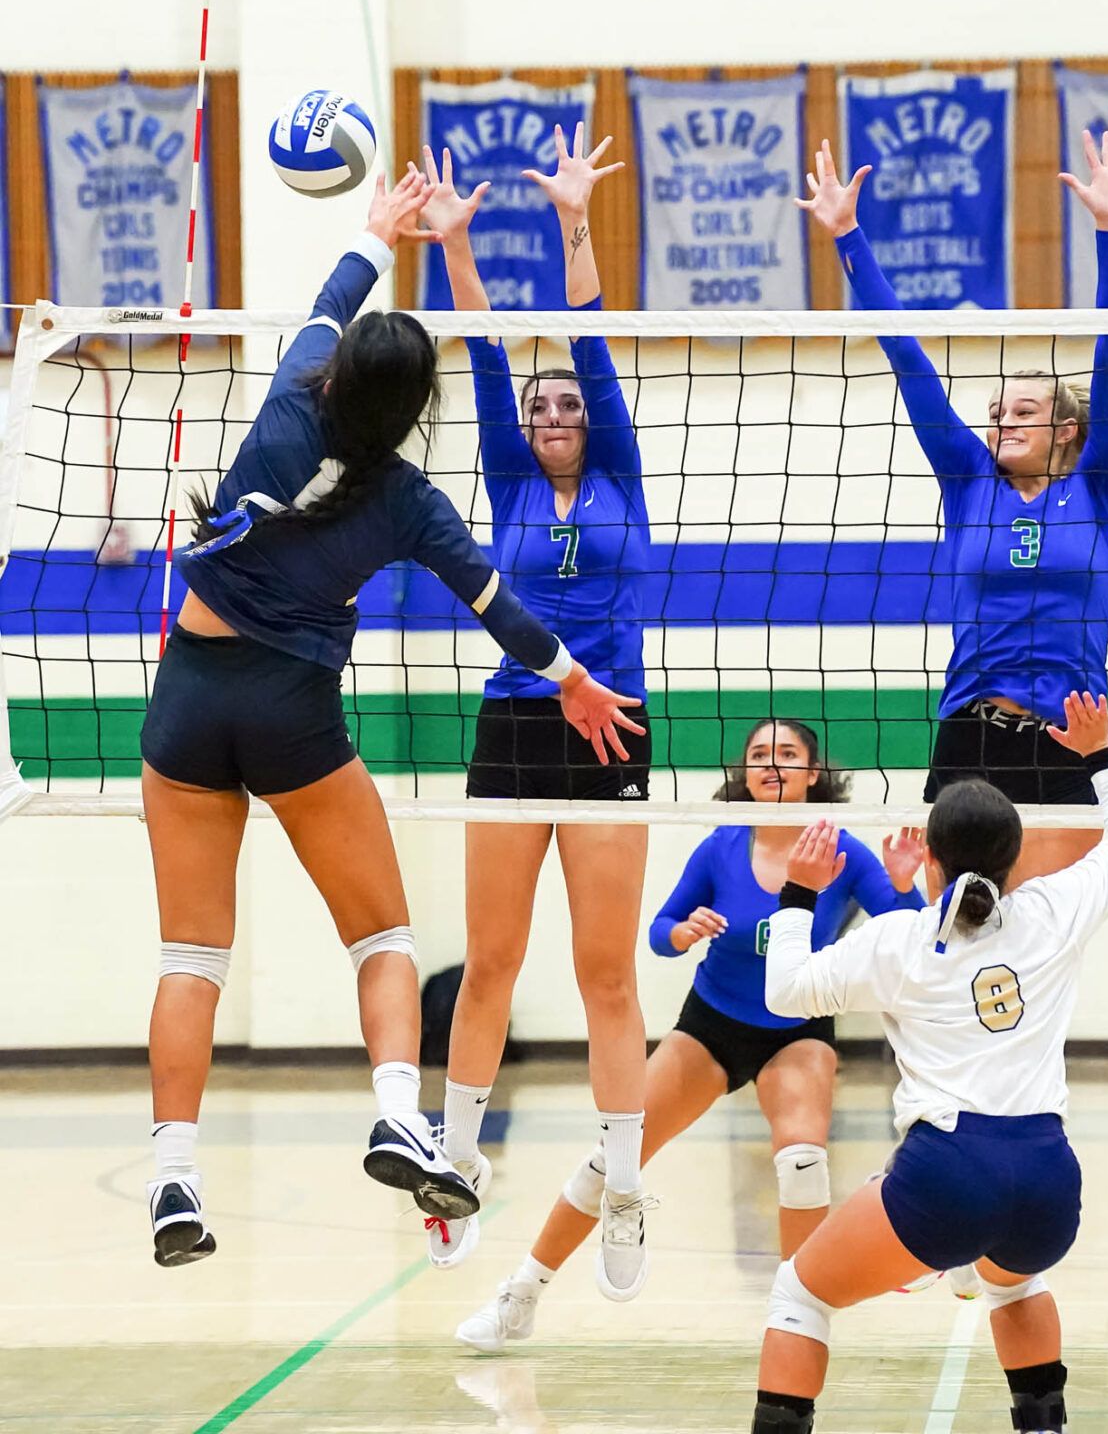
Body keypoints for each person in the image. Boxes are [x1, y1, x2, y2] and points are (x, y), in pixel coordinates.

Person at [139, 169, 639, 1268]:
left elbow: (335, 293)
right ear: (417, 412)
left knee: (192, 955)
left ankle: (173, 1177)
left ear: (336, 371)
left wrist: (375, 228)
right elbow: (499, 608)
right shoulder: (410, 502)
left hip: (186, 700)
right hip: (291, 716)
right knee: (384, 937)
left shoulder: (283, 402)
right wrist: (569, 677)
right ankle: (395, 1109)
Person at [748, 691, 1108, 1434]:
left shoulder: (899, 941)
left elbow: (784, 994)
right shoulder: (1052, 912)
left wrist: (799, 892)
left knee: (799, 1293)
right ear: (1015, 856)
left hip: (947, 1176)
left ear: (930, 856)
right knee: (1014, 1284)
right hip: (1046, 1180)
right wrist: (1098, 755)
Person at [454, 717, 926, 1349]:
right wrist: (681, 933)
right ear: (745, 772)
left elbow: (911, 933)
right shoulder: (720, 847)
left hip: (799, 1031)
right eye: (760, 753)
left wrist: (902, 883)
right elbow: (660, 929)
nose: (772, 764)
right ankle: (521, 1295)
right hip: (711, 1025)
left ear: (815, 775)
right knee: (612, 1158)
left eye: (787, 754)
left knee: (803, 1161)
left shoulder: (840, 850)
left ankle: (798, 1320)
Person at [799, 131, 1108, 886]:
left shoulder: (1095, 488)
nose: (1001, 422)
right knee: (954, 935)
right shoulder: (971, 483)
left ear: (1066, 430)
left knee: (1043, 945)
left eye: (1022, 411)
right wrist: (849, 237)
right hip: (973, 738)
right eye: (996, 410)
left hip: (1071, 738)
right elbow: (908, 358)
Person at [418, 128, 654, 1294]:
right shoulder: (510, 478)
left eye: (569, 397)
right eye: (541, 399)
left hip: (611, 725)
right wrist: (456, 244)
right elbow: (475, 351)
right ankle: (453, 1167)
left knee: (606, 973)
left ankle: (622, 1187)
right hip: (514, 722)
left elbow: (594, 342)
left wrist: (571, 223)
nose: (555, 405)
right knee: (491, 965)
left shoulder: (615, 472)